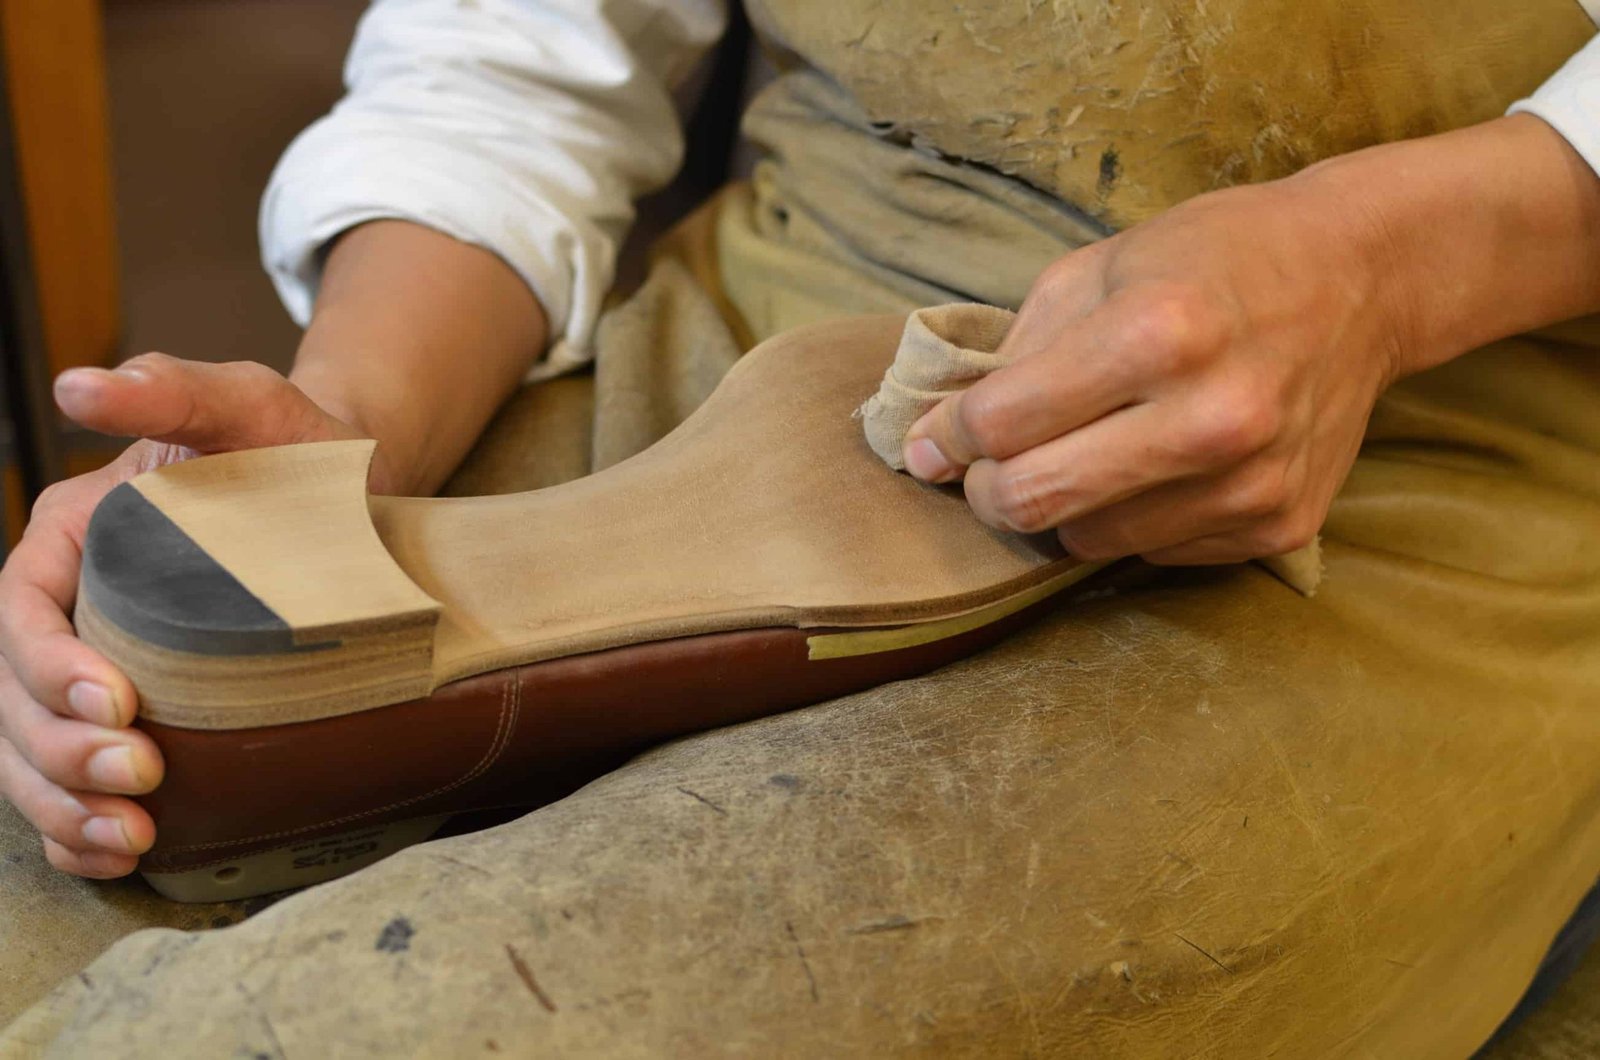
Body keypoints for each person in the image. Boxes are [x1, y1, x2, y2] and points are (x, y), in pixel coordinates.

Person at [2, 1, 1599, 1053]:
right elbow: (519, 62)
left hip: (1455, 385)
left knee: (397, 1024)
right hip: (810, 286)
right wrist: (345, 422)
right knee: (52, 866)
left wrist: (1384, 268)